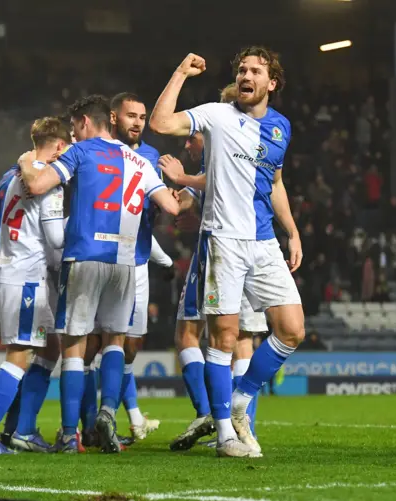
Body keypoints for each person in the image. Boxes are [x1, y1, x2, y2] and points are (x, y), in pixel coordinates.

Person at [150, 47, 305, 458]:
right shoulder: (217, 115)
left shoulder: (280, 128)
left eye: (255, 70)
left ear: (272, 82)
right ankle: (225, 436)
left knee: (292, 329)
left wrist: (291, 231)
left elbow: (274, 184)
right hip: (223, 240)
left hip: (264, 240)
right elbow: (161, 121)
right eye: (241, 69)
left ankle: (239, 403)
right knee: (224, 337)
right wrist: (181, 72)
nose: (245, 75)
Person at [19, 95, 179, 453]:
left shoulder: (82, 151)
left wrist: (28, 162)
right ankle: (108, 412)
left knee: (74, 347)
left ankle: (68, 434)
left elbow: (37, 185)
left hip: (85, 256)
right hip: (124, 262)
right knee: (115, 342)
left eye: (75, 127)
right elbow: (170, 205)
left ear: (86, 123)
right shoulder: (139, 159)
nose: (73, 134)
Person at [166, 84, 267, 452]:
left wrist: (180, 184)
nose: (190, 143)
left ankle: (211, 415)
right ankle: (244, 430)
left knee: (190, 333)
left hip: (224, 244)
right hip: (259, 244)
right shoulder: (262, 138)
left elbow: (205, 186)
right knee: (242, 340)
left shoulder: (224, 141)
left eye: (193, 136)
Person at [0, 117, 69, 456]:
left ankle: (20, 429)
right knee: (18, 354)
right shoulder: (49, 183)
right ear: (59, 145)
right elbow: (56, 239)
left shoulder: (5, 178)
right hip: (26, 276)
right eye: (67, 147)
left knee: (49, 348)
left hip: (7, 269)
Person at [80, 92, 172, 447]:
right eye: (131, 116)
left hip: (135, 263)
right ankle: (87, 425)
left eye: (143, 116)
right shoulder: (93, 149)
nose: (138, 122)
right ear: (114, 118)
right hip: (96, 257)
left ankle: (115, 419)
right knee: (90, 346)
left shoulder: (149, 157)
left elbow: (160, 210)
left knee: (128, 347)